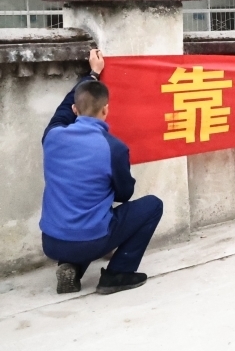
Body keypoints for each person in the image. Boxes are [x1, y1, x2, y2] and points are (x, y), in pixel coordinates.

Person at [40, 49, 163, 295]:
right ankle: (117, 274)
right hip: (91, 240)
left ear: (75, 110)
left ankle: (71, 266)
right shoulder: (113, 148)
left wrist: (93, 74)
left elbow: (63, 108)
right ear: (106, 110)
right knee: (152, 206)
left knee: (86, 213)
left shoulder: (51, 136)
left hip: (50, 241)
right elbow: (125, 194)